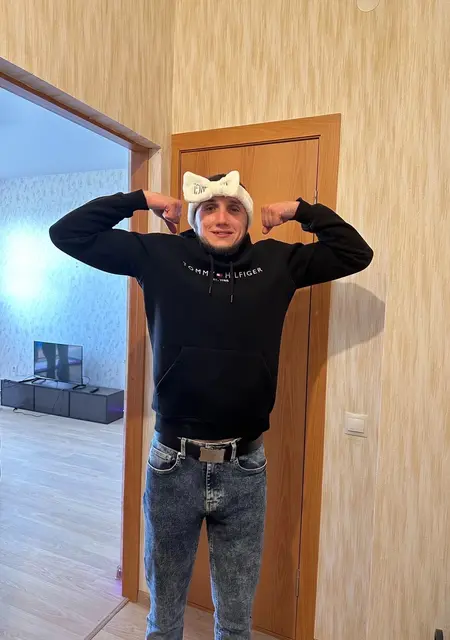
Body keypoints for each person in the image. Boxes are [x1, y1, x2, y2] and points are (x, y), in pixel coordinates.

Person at [49, 170, 373, 640]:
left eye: (234, 208)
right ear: (195, 216)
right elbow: (68, 233)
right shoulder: (159, 256)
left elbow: (355, 252)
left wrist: (299, 210)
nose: (222, 218)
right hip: (172, 464)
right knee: (163, 619)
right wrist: (140, 198)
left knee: (236, 623)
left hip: (245, 468)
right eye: (210, 208)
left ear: (247, 217)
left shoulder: (277, 262)